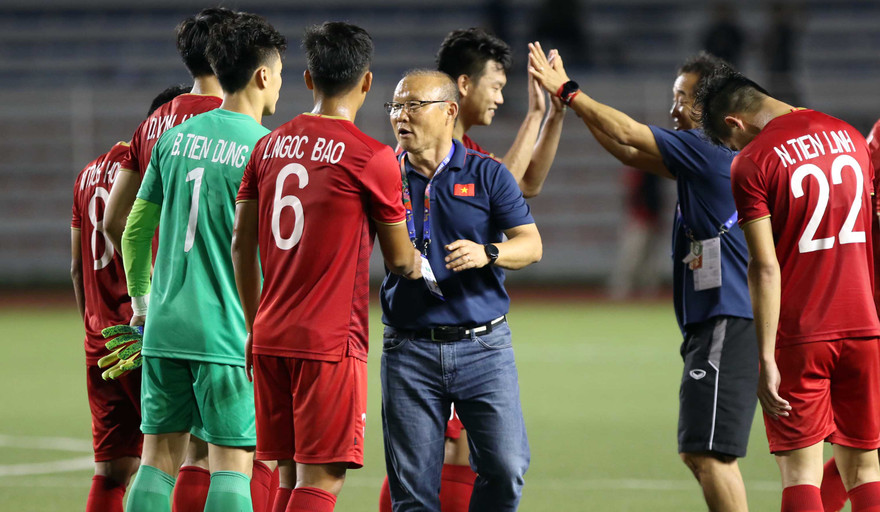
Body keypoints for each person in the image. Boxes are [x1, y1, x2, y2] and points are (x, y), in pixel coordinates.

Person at [528, 45, 758, 512]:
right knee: (702, 454)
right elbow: (627, 150)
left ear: (713, 105)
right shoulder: (705, 158)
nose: (674, 108)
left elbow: (630, 132)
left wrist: (570, 93)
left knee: (709, 455)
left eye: (684, 98)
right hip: (715, 320)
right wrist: (568, 108)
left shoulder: (706, 149)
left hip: (725, 318)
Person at [232, 22, 418, 512]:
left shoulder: (267, 145)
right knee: (323, 480)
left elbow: (240, 243)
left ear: (309, 79)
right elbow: (400, 260)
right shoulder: (371, 157)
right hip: (328, 342)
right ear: (368, 83)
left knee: (289, 473)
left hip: (269, 335)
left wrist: (254, 325)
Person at [119, 13, 286, 512]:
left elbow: (132, 232)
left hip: (166, 327)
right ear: (261, 76)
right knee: (232, 465)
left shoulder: (173, 138)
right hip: (228, 330)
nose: (279, 83)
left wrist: (143, 306)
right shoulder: (265, 148)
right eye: (278, 73)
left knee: (156, 460)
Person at [694, 64, 880, 511]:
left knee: (801, 474)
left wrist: (763, 357)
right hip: (864, 326)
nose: (733, 148)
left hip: (802, 332)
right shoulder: (851, 136)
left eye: (729, 141)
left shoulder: (754, 161)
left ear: (733, 123)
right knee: (866, 469)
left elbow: (764, 267)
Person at [381, 69, 541, 512]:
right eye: (396, 106)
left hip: (483, 347)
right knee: (413, 496)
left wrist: (488, 252)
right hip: (409, 348)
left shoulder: (486, 173)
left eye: (414, 105)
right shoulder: (382, 175)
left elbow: (531, 244)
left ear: (449, 111)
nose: (401, 116)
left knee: (506, 470)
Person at [70, 84, 189, 512]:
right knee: (184, 457)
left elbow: (75, 266)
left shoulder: (87, 173)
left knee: (113, 471)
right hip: (143, 332)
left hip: (99, 337)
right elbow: (139, 238)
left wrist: (92, 327)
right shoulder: (154, 172)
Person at [437, 27, 565, 197]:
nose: (500, 99)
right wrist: (534, 115)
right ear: (464, 85)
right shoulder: (428, 141)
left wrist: (556, 113)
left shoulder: (467, 149)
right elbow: (503, 188)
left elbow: (527, 184)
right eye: (495, 88)